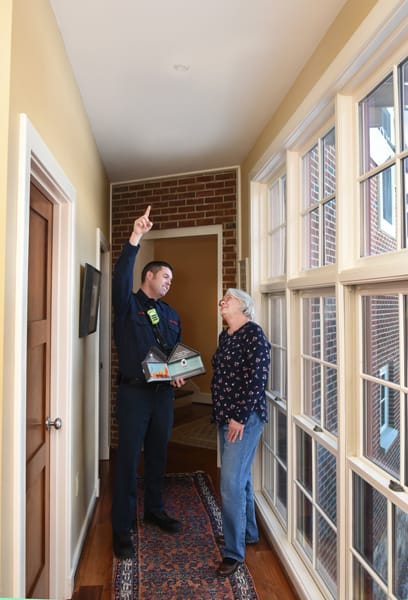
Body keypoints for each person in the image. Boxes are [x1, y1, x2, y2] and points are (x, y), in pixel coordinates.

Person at [111, 205, 185, 559]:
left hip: (161, 397)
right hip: (133, 394)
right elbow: (121, 277)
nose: (170, 283)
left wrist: (178, 373)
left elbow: (174, 354)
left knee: (158, 455)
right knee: (127, 460)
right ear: (149, 276)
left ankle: (154, 509)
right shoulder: (127, 304)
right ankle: (121, 528)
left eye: (171, 280)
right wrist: (135, 237)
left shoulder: (171, 314)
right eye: (166, 277)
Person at [211, 288, 271, 576]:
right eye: (222, 299)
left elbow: (257, 381)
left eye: (229, 299)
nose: (222, 302)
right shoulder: (226, 336)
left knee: (230, 484)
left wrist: (238, 417)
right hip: (226, 417)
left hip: (243, 420)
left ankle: (233, 553)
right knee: (242, 479)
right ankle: (247, 533)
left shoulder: (254, 335)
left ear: (244, 307)